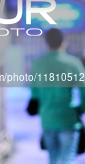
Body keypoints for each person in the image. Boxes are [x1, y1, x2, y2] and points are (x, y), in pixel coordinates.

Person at [30, 28, 85, 164]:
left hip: (47, 119)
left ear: (47, 42)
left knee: (53, 159)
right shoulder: (73, 63)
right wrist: (81, 109)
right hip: (68, 119)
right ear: (63, 42)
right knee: (68, 158)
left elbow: (34, 93)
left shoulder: (37, 65)